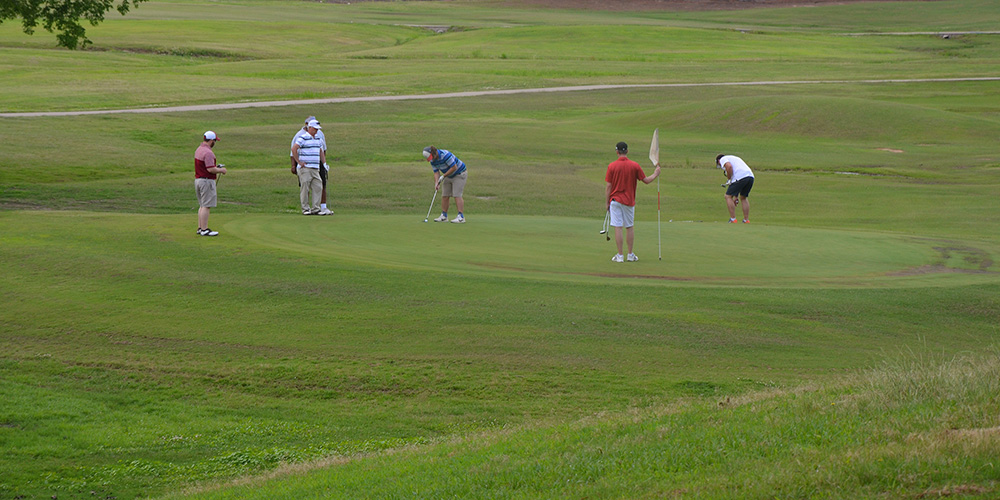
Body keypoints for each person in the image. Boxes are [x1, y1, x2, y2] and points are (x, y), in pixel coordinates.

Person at [605, 141, 660, 262]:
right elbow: (646, 180)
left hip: (615, 200)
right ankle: (630, 255)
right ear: (627, 151)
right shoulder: (634, 165)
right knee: (629, 227)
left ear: (617, 152)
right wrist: (655, 174)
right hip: (629, 201)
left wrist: (606, 202)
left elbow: (609, 186)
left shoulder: (612, 166)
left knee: (618, 227)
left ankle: (620, 256)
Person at [290, 116, 331, 215]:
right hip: (305, 168)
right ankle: (305, 209)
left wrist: (324, 163)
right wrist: (298, 162)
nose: (317, 131)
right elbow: (294, 149)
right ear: (310, 128)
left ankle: (316, 209)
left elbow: (321, 151)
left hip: (315, 167)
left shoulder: (318, 138)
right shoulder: (302, 137)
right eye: (315, 129)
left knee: (318, 186)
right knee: (305, 188)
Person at [423, 146, 468, 223]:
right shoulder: (433, 161)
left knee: (457, 195)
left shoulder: (445, 155)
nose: (431, 159)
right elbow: (436, 172)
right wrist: (436, 183)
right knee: (445, 195)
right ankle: (444, 216)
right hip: (448, 175)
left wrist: (443, 176)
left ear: (434, 153)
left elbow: (454, 167)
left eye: (431, 157)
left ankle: (461, 217)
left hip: (459, 174)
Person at [194, 131, 227, 236]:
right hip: (206, 181)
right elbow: (210, 169)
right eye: (215, 141)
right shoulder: (208, 153)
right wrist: (221, 170)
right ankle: (204, 229)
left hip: (198, 180)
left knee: (202, 205)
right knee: (206, 206)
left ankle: (200, 228)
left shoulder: (199, 149)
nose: (215, 143)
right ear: (211, 140)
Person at [716, 154, 754, 223]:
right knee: (743, 197)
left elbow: (729, 166)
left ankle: (733, 219)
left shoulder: (723, 159)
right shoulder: (734, 158)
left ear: (718, 160)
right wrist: (736, 196)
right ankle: (746, 220)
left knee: (728, 196)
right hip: (750, 177)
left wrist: (729, 179)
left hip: (740, 177)